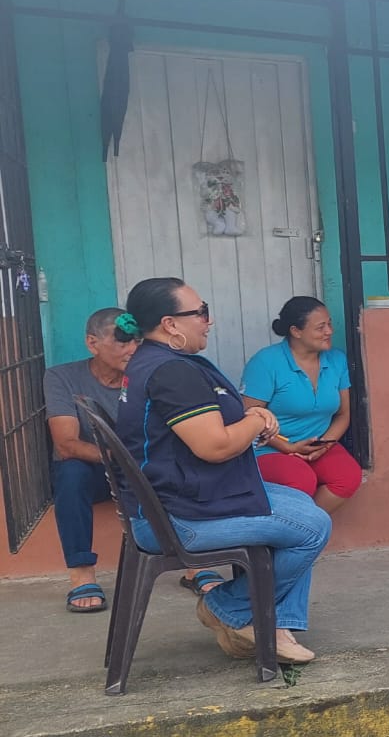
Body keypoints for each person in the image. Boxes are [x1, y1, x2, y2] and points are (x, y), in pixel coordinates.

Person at [113, 277, 331, 664]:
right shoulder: (171, 372)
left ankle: (269, 626)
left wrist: (248, 421)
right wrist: (256, 418)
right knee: (311, 528)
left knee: (300, 503)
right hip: (177, 518)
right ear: (170, 324)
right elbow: (214, 447)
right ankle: (227, 609)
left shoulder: (152, 361)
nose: (208, 320)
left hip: (180, 499)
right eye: (201, 312)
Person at [43, 307, 137, 612]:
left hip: (138, 469)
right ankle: (81, 573)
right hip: (97, 470)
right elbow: (66, 444)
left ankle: (193, 566)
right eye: (122, 341)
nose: (132, 349)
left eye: (136, 340)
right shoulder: (62, 377)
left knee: (176, 465)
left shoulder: (144, 376)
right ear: (92, 343)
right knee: (71, 473)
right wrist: (118, 458)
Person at [242, 296, 361, 514]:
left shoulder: (336, 359)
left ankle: (304, 526)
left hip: (318, 444)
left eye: (329, 324)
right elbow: (249, 416)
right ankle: (291, 529)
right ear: (296, 331)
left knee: (347, 476)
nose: (329, 331)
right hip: (268, 447)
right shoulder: (266, 362)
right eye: (320, 327)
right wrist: (288, 447)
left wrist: (324, 445)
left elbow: (343, 415)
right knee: (300, 480)